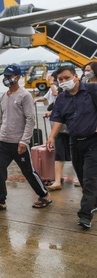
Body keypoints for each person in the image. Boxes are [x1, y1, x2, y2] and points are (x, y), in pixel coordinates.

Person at [0, 65, 51, 214]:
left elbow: (30, 120)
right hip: (3, 142)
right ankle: (1, 201)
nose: (6, 79)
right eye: (5, 76)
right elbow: (0, 121)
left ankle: (44, 195)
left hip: (18, 142)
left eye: (9, 76)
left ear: (17, 77)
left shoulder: (25, 96)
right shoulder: (3, 97)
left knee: (28, 171)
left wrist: (24, 141)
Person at [47, 65, 97, 229]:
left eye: (67, 78)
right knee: (83, 178)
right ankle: (93, 202)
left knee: (90, 179)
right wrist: (51, 137)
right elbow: (59, 119)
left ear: (76, 76)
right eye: (60, 79)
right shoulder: (61, 98)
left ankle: (85, 215)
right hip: (74, 142)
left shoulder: (91, 90)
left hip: (93, 141)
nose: (63, 82)